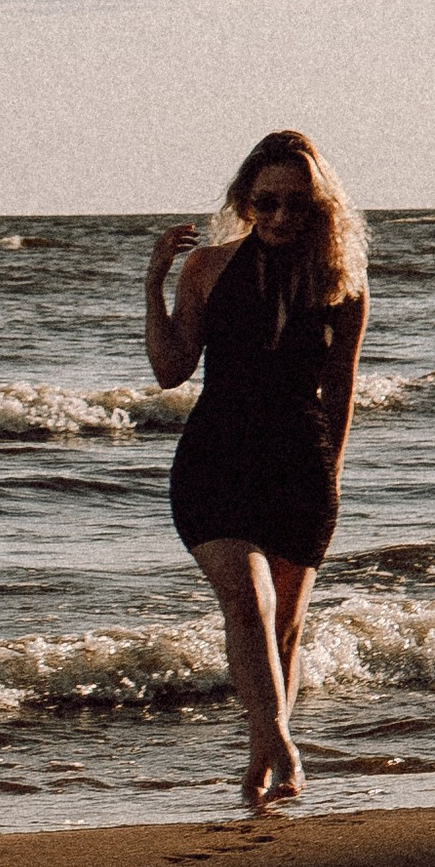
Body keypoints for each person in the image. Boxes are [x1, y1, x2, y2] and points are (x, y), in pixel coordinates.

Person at [147, 130, 369, 808]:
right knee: (248, 601)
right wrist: (153, 281)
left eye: (296, 205)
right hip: (216, 460)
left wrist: (331, 475)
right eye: (266, 201)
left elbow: (342, 390)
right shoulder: (208, 269)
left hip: (300, 464)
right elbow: (170, 369)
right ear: (246, 200)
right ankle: (282, 741)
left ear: (319, 209)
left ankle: (260, 762)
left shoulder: (342, 283)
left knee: (285, 625)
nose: (279, 216)